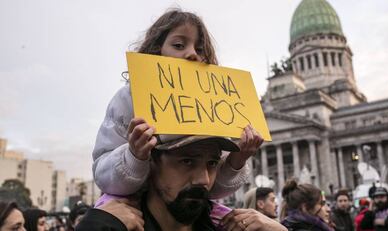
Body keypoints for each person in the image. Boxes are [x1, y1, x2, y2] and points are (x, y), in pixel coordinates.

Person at [92, 8, 262, 203]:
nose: (192, 54)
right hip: (138, 209)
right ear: (157, 51)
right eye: (179, 45)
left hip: (188, 213)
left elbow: (210, 188)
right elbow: (103, 175)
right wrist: (134, 155)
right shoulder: (128, 99)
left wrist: (236, 160)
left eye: (200, 49)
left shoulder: (215, 106)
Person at [77, 135, 268, 231]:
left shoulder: (230, 226)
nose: (204, 179)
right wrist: (97, 225)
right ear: (152, 162)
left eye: (212, 163)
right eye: (187, 161)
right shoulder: (112, 225)